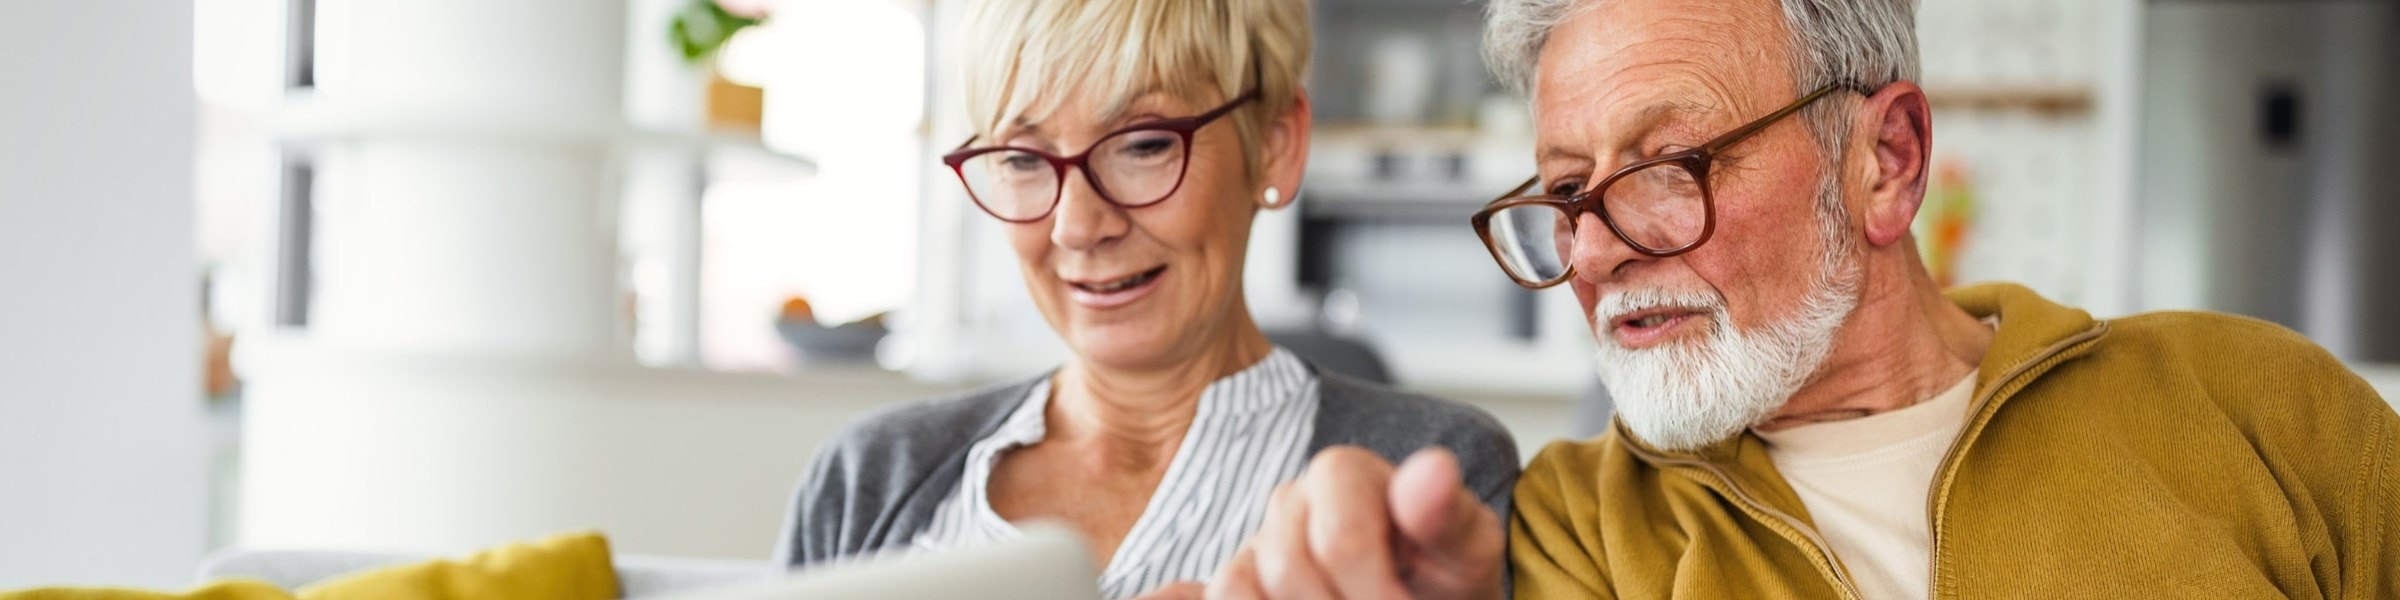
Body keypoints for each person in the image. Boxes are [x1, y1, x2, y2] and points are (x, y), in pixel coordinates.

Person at [1195, 0, 2400, 598]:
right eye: (1567, 191)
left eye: (1667, 169)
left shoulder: (2264, 405)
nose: (1599, 250)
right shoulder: (1570, 530)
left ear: (1885, 161)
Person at [769, 1, 1519, 599]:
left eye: (1143, 145)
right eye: (1024, 160)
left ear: (1276, 145)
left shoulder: (1433, 477)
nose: (1077, 225)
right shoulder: (871, 476)